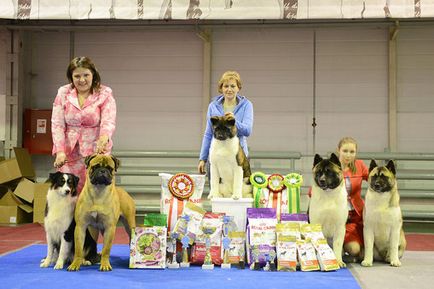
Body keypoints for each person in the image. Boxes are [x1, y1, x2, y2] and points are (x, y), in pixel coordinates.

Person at [51, 56, 116, 193]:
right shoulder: (63, 93)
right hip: (69, 154)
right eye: (77, 76)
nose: (82, 80)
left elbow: (108, 121)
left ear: (93, 74)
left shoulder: (105, 94)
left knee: (95, 193)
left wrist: (104, 137)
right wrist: (60, 151)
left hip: (96, 151)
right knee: (68, 194)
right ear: (71, 77)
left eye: (86, 75)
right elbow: (57, 124)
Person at [197, 70, 253, 174]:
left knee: (238, 190)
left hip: (238, 157)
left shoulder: (247, 105)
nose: (229, 89)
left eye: (233, 86)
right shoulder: (212, 106)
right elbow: (208, 134)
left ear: (238, 88)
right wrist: (202, 159)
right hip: (216, 156)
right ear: (221, 88)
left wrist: (234, 121)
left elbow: (247, 131)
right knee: (215, 190)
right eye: (226, 86)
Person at [337, 137, 369, 262]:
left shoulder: (360, 165)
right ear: (338, 150)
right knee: (354, 250)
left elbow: (373, 178)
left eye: (352, 152)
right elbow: (314, 191)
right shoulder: (332, 167)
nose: (348, 155)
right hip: (338, 215)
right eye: (345, 151)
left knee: (359, 251)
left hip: (356, 217)